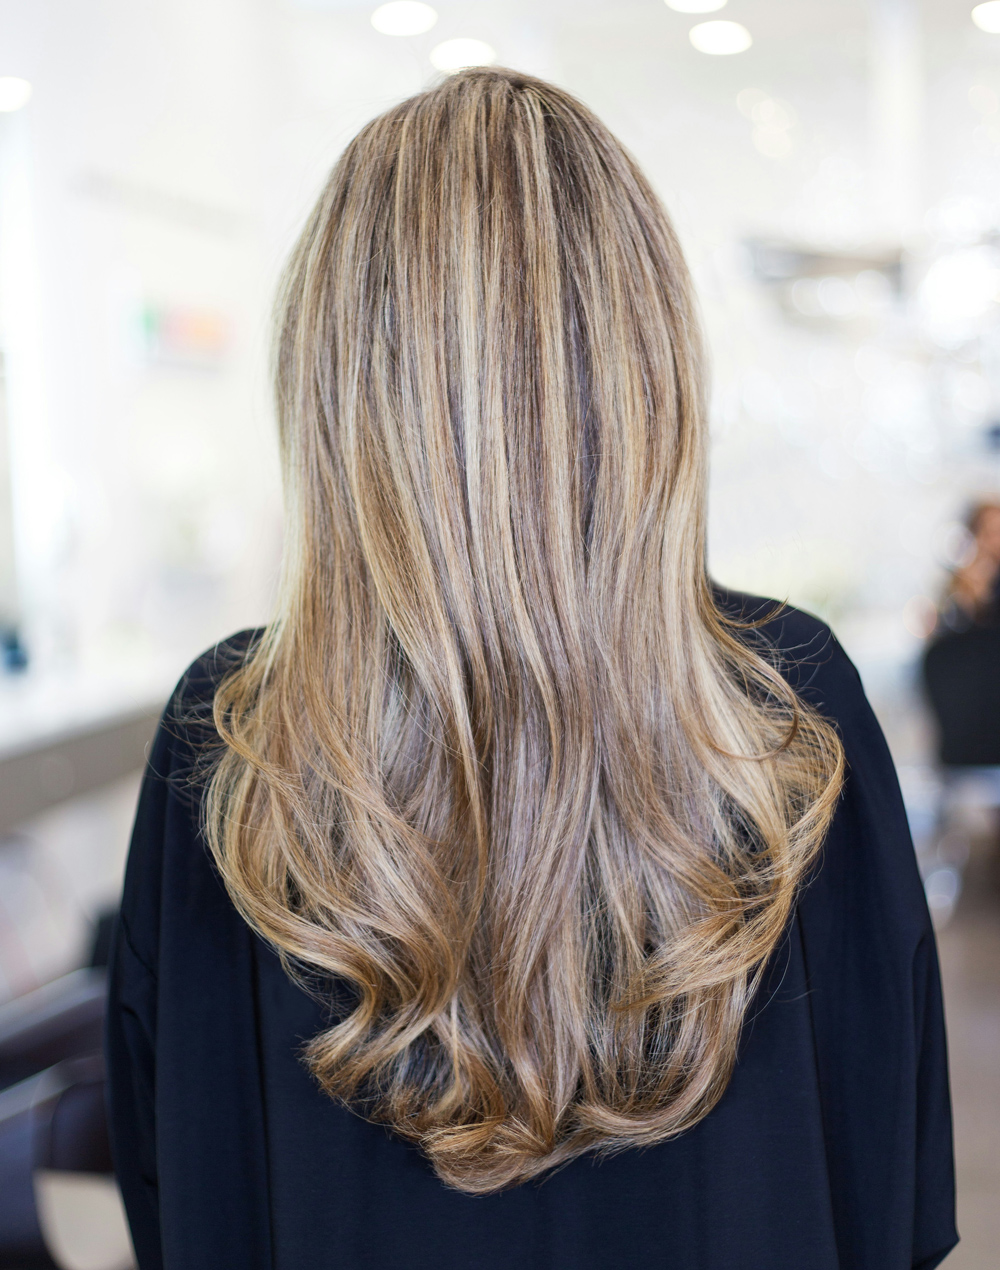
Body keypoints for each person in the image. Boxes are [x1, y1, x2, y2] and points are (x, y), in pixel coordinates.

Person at [106, 69, 957, 1270]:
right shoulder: (783, 713)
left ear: (334, 384)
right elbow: (894, 1207)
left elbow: (184, 1208)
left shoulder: (233, 746)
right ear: (647, 364)